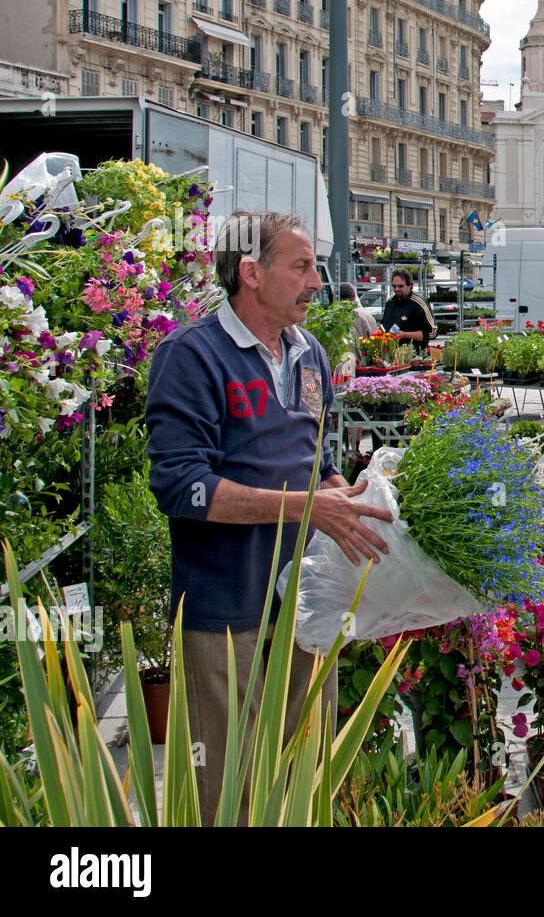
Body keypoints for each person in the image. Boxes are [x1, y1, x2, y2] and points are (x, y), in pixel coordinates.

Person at [146, 211, 393, 824]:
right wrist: (310, 507)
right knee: (226, 791)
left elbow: (318, 462)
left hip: (305, 603)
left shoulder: (308, 353)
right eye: (302, 266)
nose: (317, 283)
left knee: (305, 778)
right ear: (250, 273)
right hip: (226, 609)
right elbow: (182, 488)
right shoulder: (191, 357)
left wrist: (361, 502)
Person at [380, 269, 436, 346]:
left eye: (400, 286)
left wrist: (405, 335)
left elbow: (433, 332)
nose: (396, 289)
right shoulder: (390, 302)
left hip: (413, 352)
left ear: (410, 285)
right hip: (391, 351)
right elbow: (383, 326)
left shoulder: (418, 303)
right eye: (394, 286)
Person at [339, 282, 378, 348]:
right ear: (354, 297)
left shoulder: (337, 317)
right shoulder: (366, 316)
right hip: (363, 356)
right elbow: (375, 338)